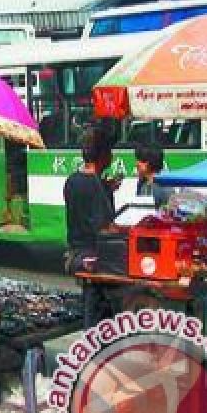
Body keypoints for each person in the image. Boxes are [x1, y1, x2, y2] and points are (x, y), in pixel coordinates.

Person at [63, 126, 118, 327]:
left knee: (92, 304)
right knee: (97, 310)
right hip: (92, 254)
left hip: (74, 252)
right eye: (110, 152)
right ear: (103, 155)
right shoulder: (95, 186)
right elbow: (102, 227)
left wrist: (107, 188)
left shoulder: (72, 181)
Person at [134, 143, 173, 207]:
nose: (136, 164)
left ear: (149, 163)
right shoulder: (143, 183)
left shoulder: (164, 188)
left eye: (139, 160)